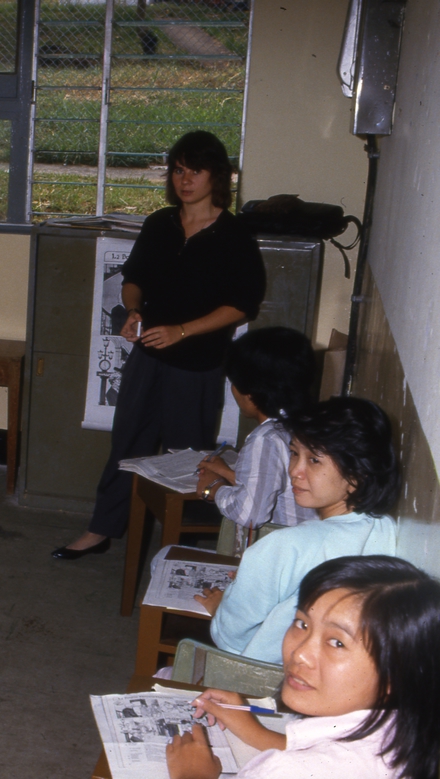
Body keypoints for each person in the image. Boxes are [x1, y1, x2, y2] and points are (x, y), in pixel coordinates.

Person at [54, 131, 266, 560]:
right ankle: (101, 529)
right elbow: (134, 281)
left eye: (196, 170)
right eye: (178, 170)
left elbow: (241, 306)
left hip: (197, 363)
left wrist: (182, 331)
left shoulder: (233, 235)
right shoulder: (159, 223)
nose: (185, 180)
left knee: (187, 454)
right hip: (147, 356)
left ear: (217, 176)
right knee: (126, 443)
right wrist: (134, 311)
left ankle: (183, 544)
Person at [167, 555, 440, 779]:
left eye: (337, 643)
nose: (299, 653)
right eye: (302, 624)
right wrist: (256, 732)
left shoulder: (285, 772)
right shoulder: (405, 726)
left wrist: (192, 775)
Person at [199, 397, 398, 663]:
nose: (295, 471)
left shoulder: (285, 545)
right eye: (294, 453)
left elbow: (230, 638)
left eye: (314, 460)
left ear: (357, 473)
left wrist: (219, 607)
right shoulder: (384, 528)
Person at [196, 327, 318, 553]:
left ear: (251, 394)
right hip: (312, 547)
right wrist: (227, 473)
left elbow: (250, 514)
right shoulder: (310, 423)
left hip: (283, 555)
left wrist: (212, 488)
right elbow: (280, 485)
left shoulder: (266, 438)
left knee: (163, 556)